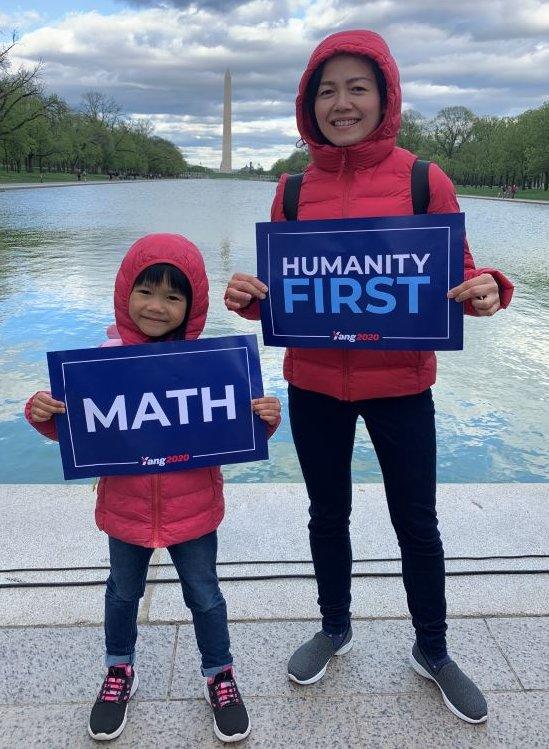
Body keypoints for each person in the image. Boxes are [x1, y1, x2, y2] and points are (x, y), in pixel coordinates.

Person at [224, 29, 514, 725]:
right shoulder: (290, 191)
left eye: (357, 86)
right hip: (316, 383)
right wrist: (253, 298)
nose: (341, 101)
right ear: (307, 102)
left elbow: (461, 274)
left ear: (384, 97)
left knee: (417, 521)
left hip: (402, 386)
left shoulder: (424, 179)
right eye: (326, 89)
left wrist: (487, 289)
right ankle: (334, 626)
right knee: (328, 514)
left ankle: (433, 649)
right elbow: (291, 293)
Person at [25, 233, 281, 743]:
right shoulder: (101, 359)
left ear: (193, 305)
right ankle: (119, 669)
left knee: (205, 596)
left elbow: (233, 427)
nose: (157, 306)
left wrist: (263, 421)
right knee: (122, 593)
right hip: (125, 506)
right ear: (125, 294)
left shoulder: (212, 364)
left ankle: (219, 673)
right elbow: (79, 427)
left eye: (173, 296)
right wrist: (46, 415)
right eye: (145, 291)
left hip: (194, 506)